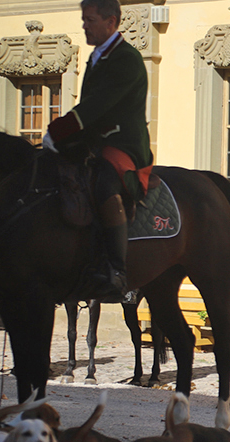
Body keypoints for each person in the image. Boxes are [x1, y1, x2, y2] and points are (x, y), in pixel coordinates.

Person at [45, 0, 152, 303]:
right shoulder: (97, 57)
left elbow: (97, 106)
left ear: (111, 22)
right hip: (93, 144)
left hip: (123, 145)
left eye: (89, 20)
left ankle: (117, 271)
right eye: (83, 19)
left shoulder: (126, 58)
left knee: (105, 184)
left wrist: (58, 131)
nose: (84, 26)